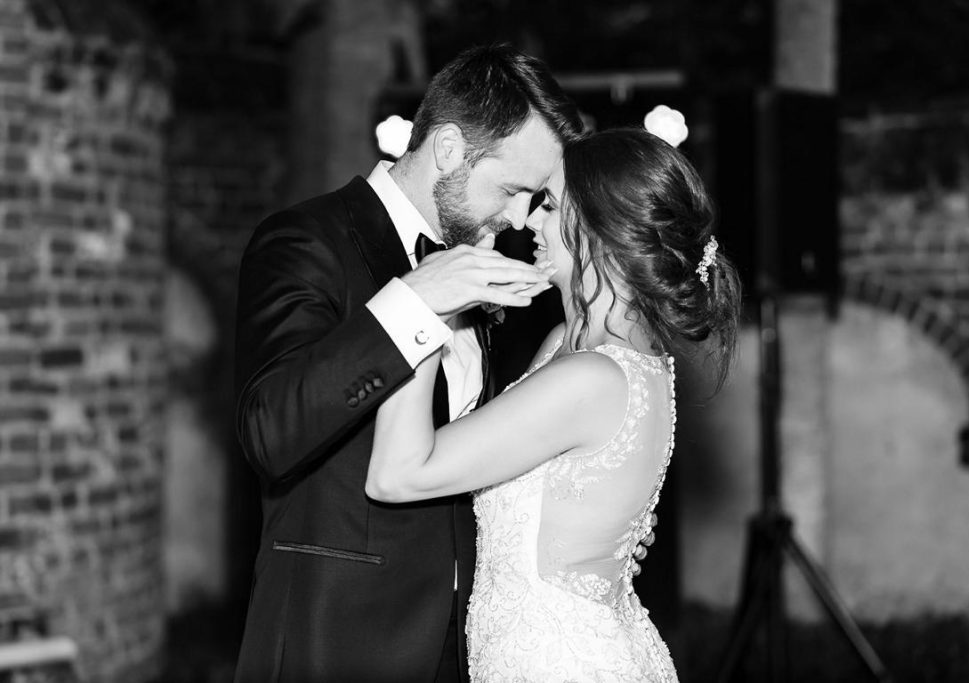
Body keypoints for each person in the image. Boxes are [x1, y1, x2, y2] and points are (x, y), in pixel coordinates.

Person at [232, 45, 582, 682]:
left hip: (466, 647)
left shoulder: (482, 265)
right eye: (511, 190)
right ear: (447, 148)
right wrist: (414, 303)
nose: (516, 218)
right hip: (336, 638)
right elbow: (268, 430)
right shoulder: (306, 241)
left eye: (534, 199)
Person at [366, 127, 742, 681]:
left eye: (550, 205)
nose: (530, 222)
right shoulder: (567, 347)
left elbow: (398, 473)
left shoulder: (591, 377)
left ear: (601, 230)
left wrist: (425, 304)